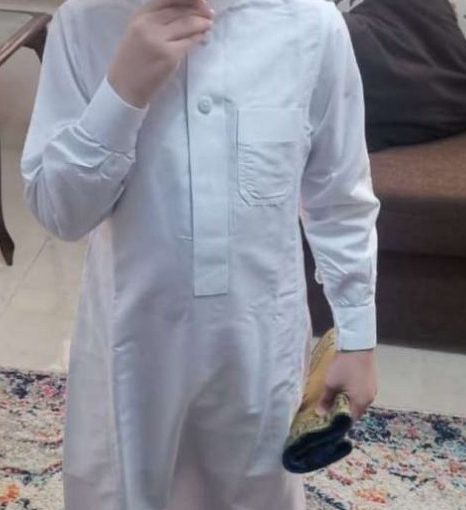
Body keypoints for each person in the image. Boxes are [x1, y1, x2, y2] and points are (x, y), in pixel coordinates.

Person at [20, 0, 380, 508]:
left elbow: (339, 199)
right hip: (129, 357)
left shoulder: (310, 25)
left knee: (256, 494)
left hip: (260, 358)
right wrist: (121, 92)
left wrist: (358, 338)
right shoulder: (84, 23)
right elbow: (60, 213)